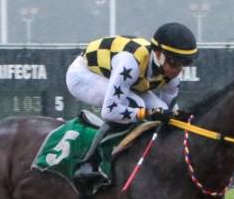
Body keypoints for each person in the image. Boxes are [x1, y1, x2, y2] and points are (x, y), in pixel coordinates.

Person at [65, 22, 198, 187]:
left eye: (184, 64)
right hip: (84, 74)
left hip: (121, 77)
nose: (178, 70)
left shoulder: (173, 76)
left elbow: (167, 114)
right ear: (158, 54)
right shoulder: (130, 63)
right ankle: (89, 162)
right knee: (137, 104)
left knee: (161, 110)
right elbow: (109, 112)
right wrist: (147, 114)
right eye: (174, 62)